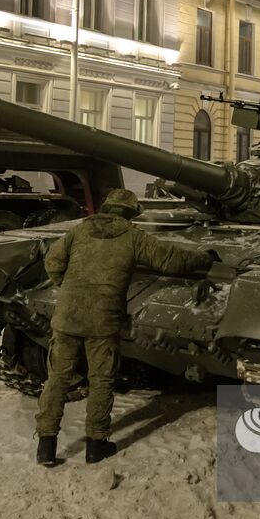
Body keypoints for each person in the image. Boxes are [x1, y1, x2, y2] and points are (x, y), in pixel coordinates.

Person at [35, 188, 215, 467]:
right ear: (131, 212)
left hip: (67, 316)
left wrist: (70, 289)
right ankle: (96, 445)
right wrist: (205, 258)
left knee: (57, 379)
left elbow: (53, 262)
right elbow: (171, 260)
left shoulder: (78, 231)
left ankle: (45, 447)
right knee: (101, 381)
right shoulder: (133, 237)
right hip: (103, 321)